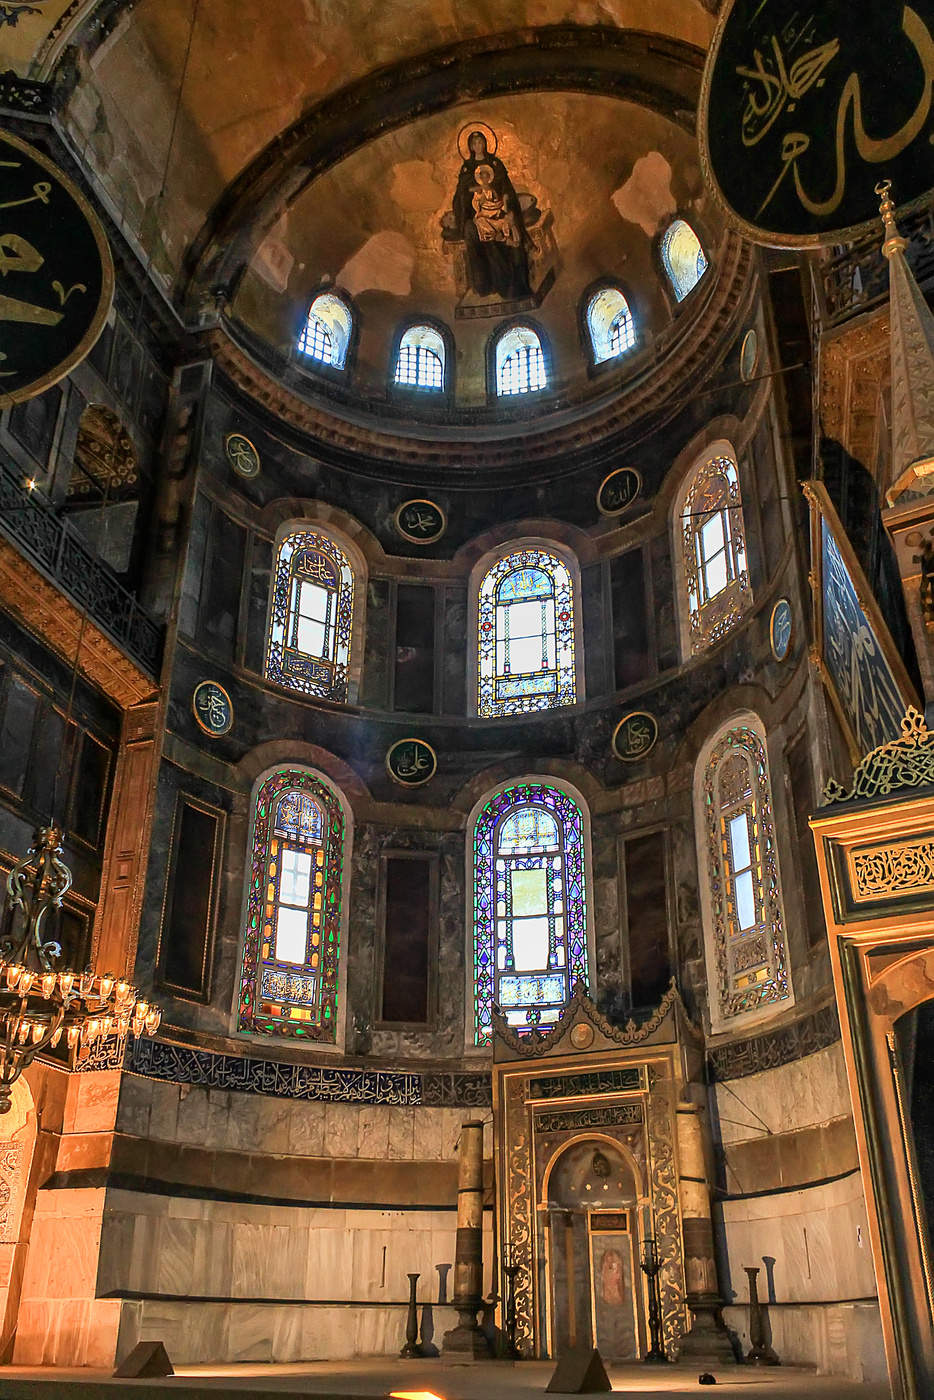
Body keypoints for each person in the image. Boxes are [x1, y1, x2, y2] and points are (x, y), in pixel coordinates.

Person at [452, 131, 532, 300]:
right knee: (476, 233)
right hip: (481, 216)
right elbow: (462, 195)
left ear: (485, 143)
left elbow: (506, 189)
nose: (478, 146)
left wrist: (507, 207)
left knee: (511, 231)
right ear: (470, 147)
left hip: (500, 212)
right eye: (475, 143)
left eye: (481, 142)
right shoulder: (467, 168)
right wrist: (476, 192)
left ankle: (516, 284)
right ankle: (485, 283)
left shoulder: (495, 164)